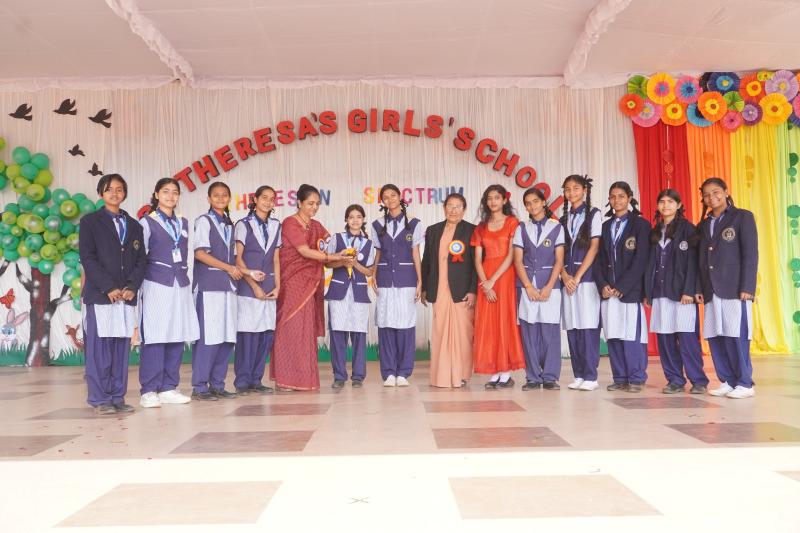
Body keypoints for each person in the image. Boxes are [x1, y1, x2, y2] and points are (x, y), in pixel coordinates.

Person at [270, 184, 349, 391]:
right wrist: (333, 257)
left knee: (305, 332)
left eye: (317, 204)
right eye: (310, 203)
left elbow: (328, 252)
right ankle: (285, 379)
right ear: (299, 203)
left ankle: (304, 378)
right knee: (290, 328)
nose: (314, 208)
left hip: (311, 284)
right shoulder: (290, 223)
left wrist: (345, 257)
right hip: (292, 284)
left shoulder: (317, 227)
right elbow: (304, 251)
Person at [79, 174, 146, 414]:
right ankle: (99, 399)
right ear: (101, 194)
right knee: (100, 350)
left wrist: (131, 286)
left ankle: (117, 397)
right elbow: (88, 258)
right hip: (101, 296)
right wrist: (108, 287)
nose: (114, 193)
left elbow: (141, 260)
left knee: (120, 349)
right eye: (109, 189)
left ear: (124, 193)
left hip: (125, 297)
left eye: (119, 189)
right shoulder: (90, 222)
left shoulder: (135, 225)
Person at [138, 178, 199, 408]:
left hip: (179, 283)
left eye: (175, 192)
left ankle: (169, 387)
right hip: (156, 283)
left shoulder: (183, 222)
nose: (170, 196)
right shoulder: (147, 222)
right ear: (156, 195)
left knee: (177, 332)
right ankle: (149, 390)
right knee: (156, 334)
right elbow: (140, 257)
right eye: (165, 191)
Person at [696, 177, 758, 399]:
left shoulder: (742, 217)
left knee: (736, 335)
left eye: (715, 192)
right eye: (706, 195)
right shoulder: (703, 225)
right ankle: (727, 380)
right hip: (711, 289)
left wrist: (748, 286)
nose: (711, 197)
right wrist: (699, 287)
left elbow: (750, 254)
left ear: (725, 191)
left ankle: (745, 383)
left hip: (735, 288)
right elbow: (700, 260)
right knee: (715, 336)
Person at [646, 189, 708, 394]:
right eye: (662, 202)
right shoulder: (655, 231)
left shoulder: (688, 229)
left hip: (682, 295)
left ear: (679, 205)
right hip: (660, 293)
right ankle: (674, 380)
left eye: (670, 202)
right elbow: (650, 265)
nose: (666, 206)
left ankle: (698, 380)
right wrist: (648, 292)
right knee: (665, 340)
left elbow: (693, 263)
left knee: (687, 339)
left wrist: (689, 290)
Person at [595, 181, 651, 393]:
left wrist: (623, 286)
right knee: (613, 335)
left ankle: (636, 378)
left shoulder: (641, 225)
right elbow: (599, 261)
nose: (616, 200)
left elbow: (641, 259)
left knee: (631, 336)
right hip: (609, 293)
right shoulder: (605, 227)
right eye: (612, 196)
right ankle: (619, 377)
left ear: (629, 198)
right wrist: (603, 285)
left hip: (629, 292)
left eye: (621, 196)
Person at [191, 182, 242, 400]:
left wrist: (242, 271)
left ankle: (218, 384)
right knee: (209, 337)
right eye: (216, 195)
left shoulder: (229, 224)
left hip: (228, 287)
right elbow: (200, 253)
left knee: (226, 337)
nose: (220, 198)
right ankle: (200, 386)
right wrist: (229, 268)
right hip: (209, 286)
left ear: (229, 198)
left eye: (224, 195)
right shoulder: (204, 221)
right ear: (209, 199)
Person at [471, 184, 525, 389]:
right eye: (489, 198)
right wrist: (485, 283)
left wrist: (492, 280)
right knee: (488, 324)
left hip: (505, 276)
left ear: (504, 200)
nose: (492, 201)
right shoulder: (480, 227)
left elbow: (511, 255)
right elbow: (477, 259)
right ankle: (494, 371)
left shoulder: (513, 223)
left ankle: (505, 372)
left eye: (496, 197)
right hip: (485, 278)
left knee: (505, 321)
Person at [421, 192, 477, 388]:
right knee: (440, 331)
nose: (453, 210)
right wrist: (425, 288)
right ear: (444, 207)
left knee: (463, 334)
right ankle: (441, 376)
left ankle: (462, 375)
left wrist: (473, 290)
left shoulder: (472, 230)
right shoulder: (433, 230)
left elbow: (477, 265)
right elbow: (427, 260)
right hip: (439, 288)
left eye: (458, 206)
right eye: (450, 206)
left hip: (462, 290)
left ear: (464, 209)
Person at [371, 184, 423, 387]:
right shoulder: (377, 225)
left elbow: (416, 253)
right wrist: (373, 274)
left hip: (407, 279)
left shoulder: (414, 223)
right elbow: (377, 252)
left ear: (400, 197)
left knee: (405, 325)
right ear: (382, 201)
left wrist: (420, 281)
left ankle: (403, 372)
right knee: (386, 325)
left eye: (393, 195)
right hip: (384, 278)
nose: (390, 199)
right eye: (385, 197)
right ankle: (389, 373)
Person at [513, 187, 565, 391]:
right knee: (529, 331)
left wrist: (549, 287)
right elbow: (518, 260)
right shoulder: (521, 228)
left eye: (535, 201)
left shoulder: (556, 227)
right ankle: (533, 377)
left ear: (544, 202)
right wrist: (528, 286)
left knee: (550, 332)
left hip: (550, 286)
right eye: (528, 203)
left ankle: (550, 376)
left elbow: (559, 260)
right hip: (526, 287)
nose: (532, 206)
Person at [233, 185, 279, 395]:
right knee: (248, 335)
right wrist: (253, 285)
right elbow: (238, 258)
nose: (268, 202)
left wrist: (278, 285)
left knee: (265, 335)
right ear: (255, 199)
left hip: (269, 288)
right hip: (248, 288)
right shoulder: (243, 225)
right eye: (264, 198)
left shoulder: (276, 225)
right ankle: (242, 381)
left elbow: (276, 259)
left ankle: (256, 379)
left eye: (272, 199)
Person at [325, 204, 375, 388]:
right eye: (351, 217)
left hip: (359, 293)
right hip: (338, 292)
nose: (355, 220)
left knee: (359, 335)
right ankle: (339, 376)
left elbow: (369, 271)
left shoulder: (369, 244)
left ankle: (358, 376)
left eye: (359, 217)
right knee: (338, 334)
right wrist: (342, 261)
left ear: (363, 220)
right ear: (346, 219)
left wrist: (354, 264)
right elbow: (327, 263)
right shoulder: (336, 238)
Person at [560, 174, 602, 391]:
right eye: (568, 189)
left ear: (584, 190)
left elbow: (594, 248)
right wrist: (565, 275)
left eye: (576, 188)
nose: (572, 193)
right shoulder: (562, 219)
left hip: (586, 281)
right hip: (567, 282)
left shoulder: (594, 214)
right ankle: (578, 374)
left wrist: (576, 277)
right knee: (572, 327)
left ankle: (591, 376)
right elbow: (558, 253)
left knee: (588, 327)